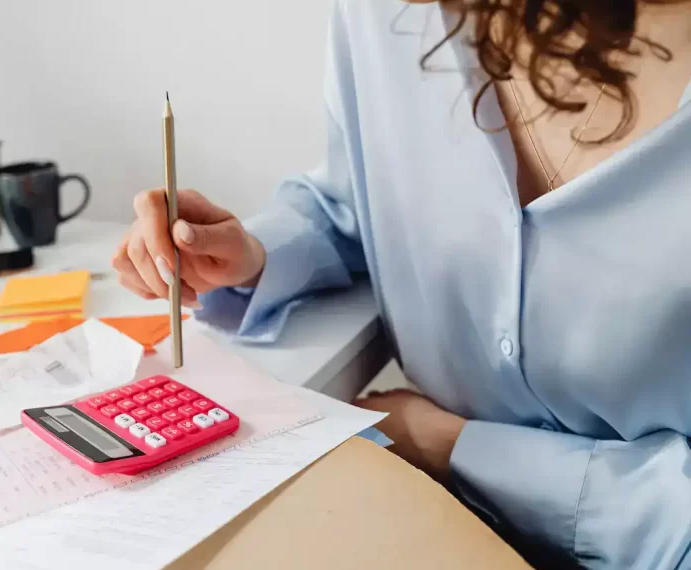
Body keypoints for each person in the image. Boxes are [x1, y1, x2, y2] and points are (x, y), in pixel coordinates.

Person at [113, 0, 691, 567]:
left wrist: (455, 447)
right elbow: (354, 202)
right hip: (421, 503)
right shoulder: (380, 16)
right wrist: (252, 256)